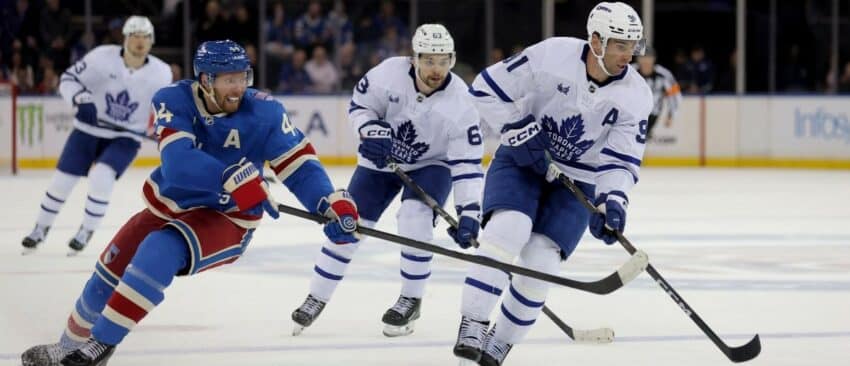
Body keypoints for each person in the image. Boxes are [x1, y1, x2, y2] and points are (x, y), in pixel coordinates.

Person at [20, 39, 361, 366]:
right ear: (205, 79)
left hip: (228, 218)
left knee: (159, 249)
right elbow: (178, 164)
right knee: (109, 269)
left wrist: (328, 202)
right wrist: (232, 176)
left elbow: (299, 166)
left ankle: (101, 346)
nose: (238, 87)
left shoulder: (266, 112)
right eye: (229, 80)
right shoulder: (173, 98)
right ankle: (67, 346)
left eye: (243, 77)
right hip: (169, 202)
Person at [452, 2, 653, 365]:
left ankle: (501, 340)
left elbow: (621, 159)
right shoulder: (551, 55)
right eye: (620, 44)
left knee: (542, 260)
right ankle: (473, 322)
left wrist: (613, 202)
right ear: (595, 40)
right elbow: (484, 88)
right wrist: (516, 128)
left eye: (632, 45)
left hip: (580, 178)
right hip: (521, 158)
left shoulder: (636, 94)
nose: (628, 54)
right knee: (509, 228)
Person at [291, 24, 484, 338]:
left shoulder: (463, 102)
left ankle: (411, 298)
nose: (437, 69)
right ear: (414, 58)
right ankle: (317, 295)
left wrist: (469, 213)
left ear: (452, 59)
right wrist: (370, 131)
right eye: (429, 60)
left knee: (415, 218)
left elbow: (466, 164)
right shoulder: (388, 74)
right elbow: (360, 107)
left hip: (430, 165)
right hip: (380, 162)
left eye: (443, 60)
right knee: (348, 224)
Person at [21, 16, 171, 255]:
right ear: (125, 38)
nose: (140, 42)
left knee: (102, 176)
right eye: (135, 36)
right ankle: (40, 228)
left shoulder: (161, 73)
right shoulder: (102, 57)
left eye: (145, 37)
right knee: (62, 182)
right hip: (87, 130)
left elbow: (161, 110)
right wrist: (82, 99)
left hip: (126, 138)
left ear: (152, 41)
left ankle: (86, 230)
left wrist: (163, 129)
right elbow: (69, 79)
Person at [634, 46, 682, 139]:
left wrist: (671, 115)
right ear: (638, 59)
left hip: (653, 113)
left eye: (649, 57)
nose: (645, 61)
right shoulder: (631, 72)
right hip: (631, 113)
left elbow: (675, 96)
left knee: (639, 140)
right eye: (642, 57)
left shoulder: (663, 74)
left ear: (654, 59)